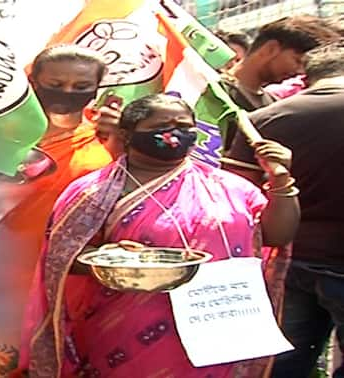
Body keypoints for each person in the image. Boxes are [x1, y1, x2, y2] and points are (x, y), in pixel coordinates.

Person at [17, 93, 299, 377]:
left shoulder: (229, 187)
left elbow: (277, 235)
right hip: (126, 326)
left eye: (184, 125)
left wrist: (280, 180)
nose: (175, 133)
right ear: (127, 134)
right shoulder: (93, 192)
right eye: (162, 124)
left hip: (215, 319)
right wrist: (110, 259)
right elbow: (61, 258)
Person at [0, 44, 120, 376]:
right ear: (33, 81)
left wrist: (121, 140)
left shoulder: (107, 138)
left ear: (97, 89)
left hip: (77, 285)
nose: (68, 94)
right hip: (8, 281)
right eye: (55, 85)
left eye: (81, 87)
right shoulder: (0, 135)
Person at [223, 39, 344, 378]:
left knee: (281, 363)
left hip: (286, 261)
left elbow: (235, 197)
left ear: (307, 78)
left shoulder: (263, 119)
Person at [219, 15, 338, 150]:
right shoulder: (216, 92)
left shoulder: (273, 103)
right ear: (271, 48)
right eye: (297, 61)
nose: (300, 71)